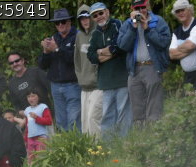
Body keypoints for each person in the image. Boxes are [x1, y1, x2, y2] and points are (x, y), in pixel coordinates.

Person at [117, 0, 171, 127]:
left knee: (154, 108)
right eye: (137, 8)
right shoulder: (128, 24)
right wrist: (133, 27)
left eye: (143, 7)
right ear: (132, 9)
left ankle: (154, 134)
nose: (141, 11)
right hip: (134, 70)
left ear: (146, 6)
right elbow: (123, 46)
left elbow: (164, 42)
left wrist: (148, 29)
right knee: (137, 110)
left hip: (152, 67)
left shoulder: (158, 21)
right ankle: (140, 136)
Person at [87, 2, 132, 139]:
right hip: (105, 82)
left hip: (121, 79)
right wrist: (107, 53)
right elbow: (91, 56)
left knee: (123, 114)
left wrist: (101, 51)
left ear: (107, 12)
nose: (99, 17)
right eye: (95, 15)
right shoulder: (95, 33)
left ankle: (125, 144)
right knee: (107, 116)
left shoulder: (118, 24)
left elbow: (119, 47)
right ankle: (108, 146)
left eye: (100, 13)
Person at [39, 8, 82, 131]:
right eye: (57, 23)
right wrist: (46, 52)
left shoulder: (78, 36)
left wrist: (56, 49)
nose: (60, 25)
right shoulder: (53, 38)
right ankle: (65, 144)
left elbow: (74, 59)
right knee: (61, 122)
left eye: (63, 21)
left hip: (73, 84)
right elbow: (42, 65)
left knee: (74, 120)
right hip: (56, 86)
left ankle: (77, 143)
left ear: (69, 21)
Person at [75, 4, 104, 136]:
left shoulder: (99, 33)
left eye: (87, 17)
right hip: (84, 86)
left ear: (92, 17)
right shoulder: (79, 36)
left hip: (98, 85)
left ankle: (99, 147)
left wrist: (96, 77)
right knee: (85, 121)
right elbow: (77, 60)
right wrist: (81, 78)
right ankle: (88, 148)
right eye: (82, 19)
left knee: (93, 118)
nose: (85, 21)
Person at [23, 90, 53, 161]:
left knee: (41, 158)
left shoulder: (43, 107)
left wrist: (37, 118)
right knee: (30, 159)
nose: (31, 98)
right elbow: (27, 126)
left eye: (33, 96)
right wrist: (25, 139)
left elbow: (49, 121)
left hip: (41, 137)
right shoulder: (27, 110)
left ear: (38, 97)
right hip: (30, 138)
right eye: (28, 97)